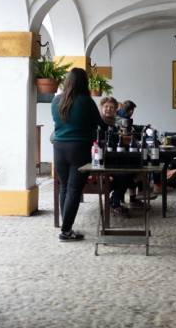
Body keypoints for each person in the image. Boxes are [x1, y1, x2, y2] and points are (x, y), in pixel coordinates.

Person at [51, 67, 101, 242]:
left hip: (58, 148)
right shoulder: (86, 101)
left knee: (64, 186)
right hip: (79, 148)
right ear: (84, 82)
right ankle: (65, 231)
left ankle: (67, 227)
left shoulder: (56, 100)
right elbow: (99, 124)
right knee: (73, 189)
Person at [98, 97, 132, 217]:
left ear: (115, 110)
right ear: (101, 108)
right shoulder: (98, 122)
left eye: (112, 107)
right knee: (123, 174)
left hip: (114, 156)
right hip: (101, 159)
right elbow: (101, 141)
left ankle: (115, 200)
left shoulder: (115, 122)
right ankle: (115, 203)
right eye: (106, 107)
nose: (109, 109)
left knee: (131, 169)